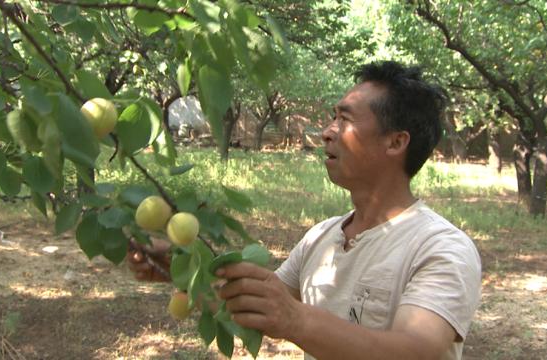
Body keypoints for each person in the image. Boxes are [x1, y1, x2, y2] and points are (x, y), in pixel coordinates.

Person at [129, 61, 481, 360]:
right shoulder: (322, 238)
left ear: (396, 142)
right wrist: (184, 272)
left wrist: (296, 320)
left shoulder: (439, 248)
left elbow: (416, 351)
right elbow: (262, 307)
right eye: (332, 118)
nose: (327, 132)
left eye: (345, 119)